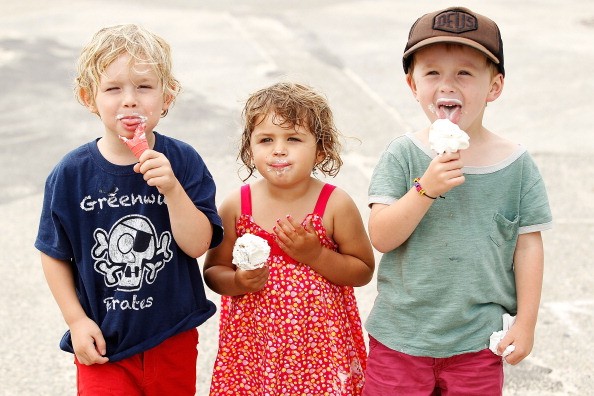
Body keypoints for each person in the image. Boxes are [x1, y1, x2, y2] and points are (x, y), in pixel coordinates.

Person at [364, 7, 553, 395]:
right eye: (432, 73)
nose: (447, 85)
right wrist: (425, 189)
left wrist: (526, 322)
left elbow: (528, 245)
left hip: (477, 341)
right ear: (413, 85)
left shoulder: (516, 164)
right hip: (400, 337)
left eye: (464, 73)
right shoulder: (402, 154)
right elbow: (381, 236)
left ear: (494, 86)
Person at [34, 24, 223, 395]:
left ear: (167, 98)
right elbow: (54, 253)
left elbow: (198, 244)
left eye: (144, 86)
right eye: (113, 88)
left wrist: (172, 190)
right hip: (104, 342)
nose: (130, 100)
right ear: (89, 98)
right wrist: (76, 320)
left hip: (172, 335)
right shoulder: (71, 174)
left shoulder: (183, 161)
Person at [204, 82, 375, 395]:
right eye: (266, 139)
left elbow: (363, 269)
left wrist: (316, 255)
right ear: (250, 148)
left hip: (319, 353)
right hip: (254, 352)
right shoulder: (236, 206)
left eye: (293, 139)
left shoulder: (335, 204)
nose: (278, 149)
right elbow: (214, 271)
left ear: (320, 149)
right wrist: (239, 282)